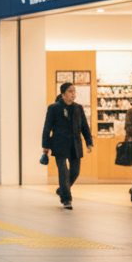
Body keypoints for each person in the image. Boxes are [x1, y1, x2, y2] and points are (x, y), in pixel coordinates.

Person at [42, 82, 93, 210]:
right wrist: (45, 146)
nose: (73, 94)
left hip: (75, 144)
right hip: (59, 144)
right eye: (70, 91)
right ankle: (67, 199)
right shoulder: (54, 108)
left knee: (75, 171)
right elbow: (47, 128)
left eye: (74, 91)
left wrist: (89, 142)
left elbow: (84, 127)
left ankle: (62, 189)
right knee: (63, 171)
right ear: (63, 94)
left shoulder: (78, 108)